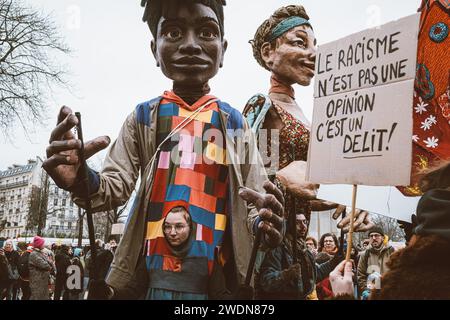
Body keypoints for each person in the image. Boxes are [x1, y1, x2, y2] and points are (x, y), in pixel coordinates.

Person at [42, 0, 285, 300]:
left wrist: (266, 221)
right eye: (172, 33)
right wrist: (80, 178)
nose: (191, 45)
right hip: (151, 281)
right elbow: (113, 186)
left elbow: (255, 200)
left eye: (207, 33)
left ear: (223, 49)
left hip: (216, 283)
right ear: (153, 49)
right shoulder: (144, 118)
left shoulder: (234, 122)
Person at [242, 4, 374, 234]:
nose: (314, 54)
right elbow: (245, 181)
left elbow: (305, 194)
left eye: (315, 45)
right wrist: (281, 177)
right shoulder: (262, 106)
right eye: (299, 43)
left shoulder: (306, 114)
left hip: (299, 245)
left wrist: (348, 197)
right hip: (269, 240)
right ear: (268, 52)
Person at [256, 212, 341, 300]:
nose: (303, 226)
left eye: (304, 222)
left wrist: (333, 262)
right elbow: (266, 281)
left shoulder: (304, 248)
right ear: (288, 225)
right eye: (297, 222)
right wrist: (287, 274)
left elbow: (315, 273)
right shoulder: (278, 248)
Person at [356, 226, 394, 298]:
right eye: (371, 236)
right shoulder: (365, 254)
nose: (373, 238)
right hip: (372, 294)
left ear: (382, 238)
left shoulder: (392, 252)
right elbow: (361, 275)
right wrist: (367, 290)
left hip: (389, 293)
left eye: (376, 235)